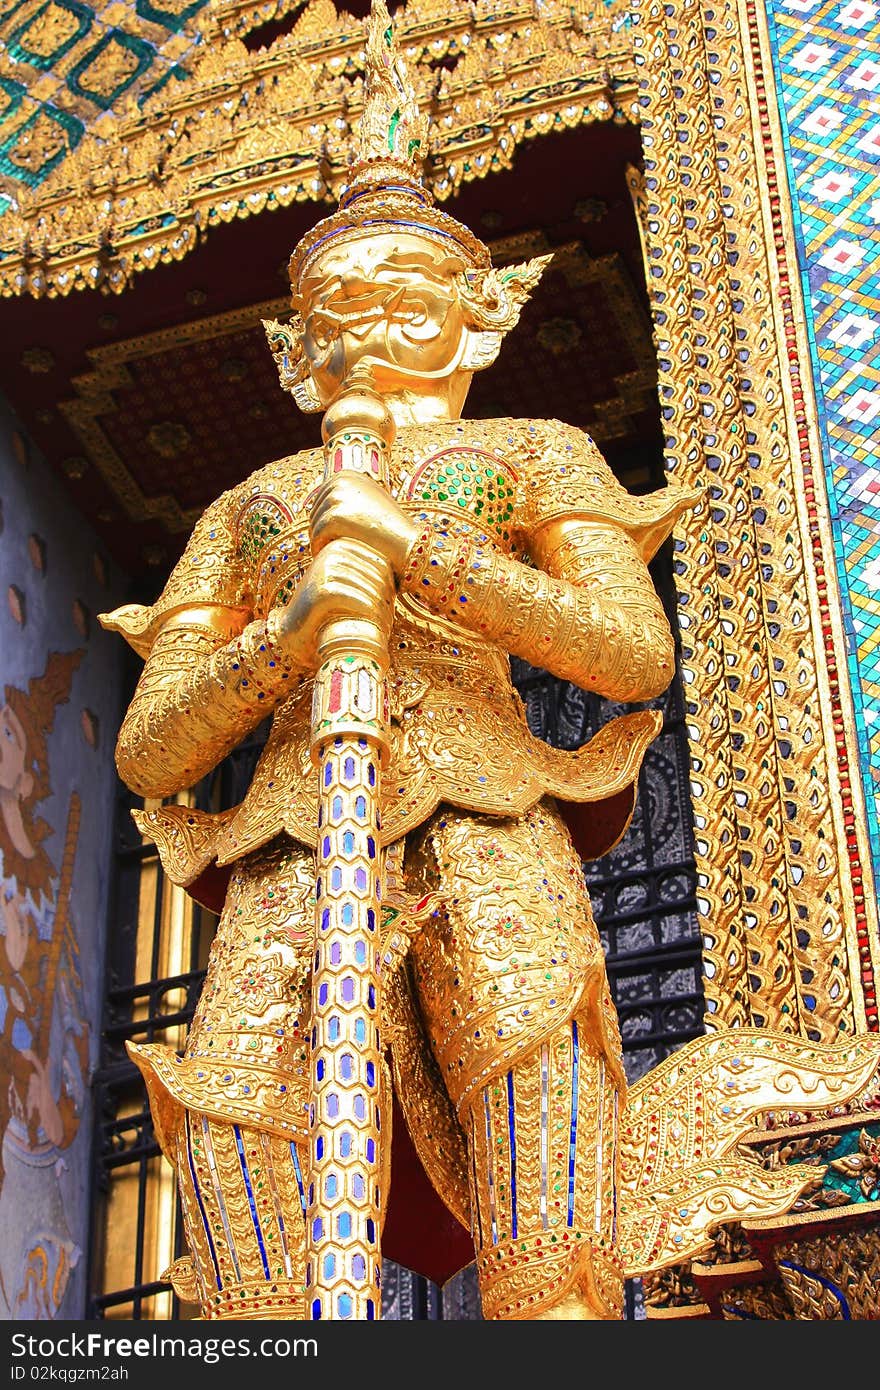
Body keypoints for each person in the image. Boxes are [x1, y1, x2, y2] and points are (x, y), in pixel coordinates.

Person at [100, 1, 880, 1321]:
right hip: (295, 834)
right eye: (335, 309)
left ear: (482, 315)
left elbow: (631, 652)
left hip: (487, 815)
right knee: (237, 1157)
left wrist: (424, 551)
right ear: (293, 351)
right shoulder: (250, 506)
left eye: (408, 302)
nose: (369, 332)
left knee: (537, 1138)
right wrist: (287, 640)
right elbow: (150, 744)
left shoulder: (533, 454)